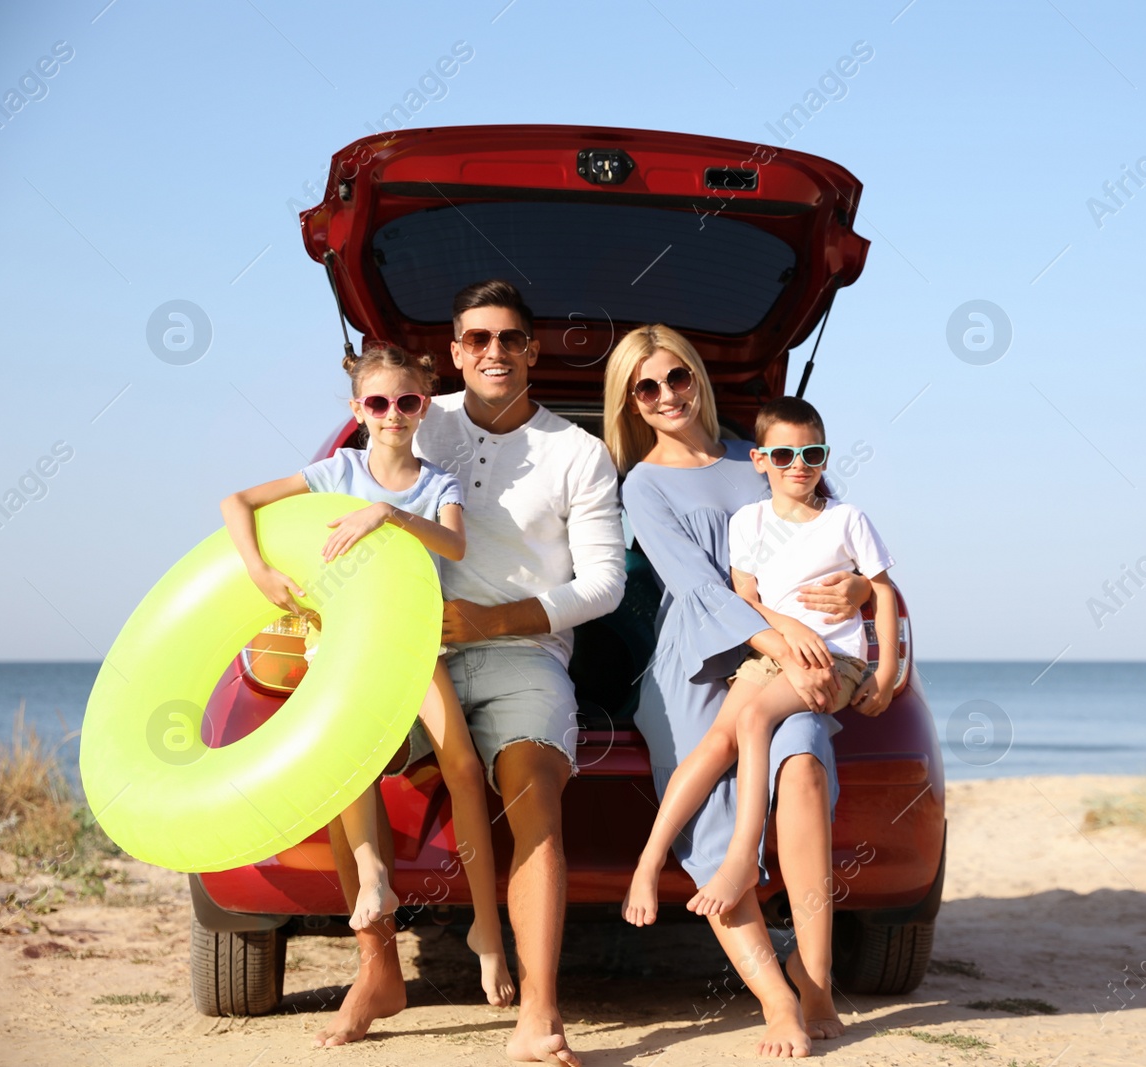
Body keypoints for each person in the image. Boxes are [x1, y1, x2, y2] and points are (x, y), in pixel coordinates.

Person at [314, 280, 626, 1067]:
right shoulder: (413, 410)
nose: (494, 351)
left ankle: (541, 1009)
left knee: (534, 791)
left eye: (510, 338)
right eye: (477, 339)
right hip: (409, 650)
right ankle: (379, 970)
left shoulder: (577, 453)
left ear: (533, 350)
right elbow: (334, 500)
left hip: (525, 653)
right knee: (333, 758)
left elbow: (604, 584)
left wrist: (497, 619)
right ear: (454, 351)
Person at [604, 324, 872, 1058]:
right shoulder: (644, 483)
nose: (666, 396)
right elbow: (695, 585)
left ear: (698, 376)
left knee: (805, 767)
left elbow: (838, 530)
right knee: (715, 828)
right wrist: (777, 638)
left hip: (796, 649)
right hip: (699, 655)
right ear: (629, 401)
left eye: (677, 378)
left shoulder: (761, 453)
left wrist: (858, 591)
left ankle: (813, 974)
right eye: (646, 387)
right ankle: (778, 1002)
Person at [219, 343, 514, 1010]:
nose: (393, 414)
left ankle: (488, 933)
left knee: (464, 769)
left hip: (413, 647)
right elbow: (235, 501)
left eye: (407, 402)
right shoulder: (338, 469)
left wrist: (387, 513)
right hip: (345, 650)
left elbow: (454, 544)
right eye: (378, 403)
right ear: (358, 409)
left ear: (423, 407)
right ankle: (376, 878)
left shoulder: (436, 482)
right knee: (349, 759)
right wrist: (261, 572)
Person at [623, 395, 898, 925]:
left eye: (812, 454)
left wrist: (884, 673)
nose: (798, 466)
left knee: (750, 719)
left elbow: (883, 592)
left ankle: (742, 856)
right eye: (784, 457)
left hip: (832, 659)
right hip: (767, 649)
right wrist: (784, 630)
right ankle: (649, 859)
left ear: (825, 457)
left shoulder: (846, 518)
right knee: (714, 743)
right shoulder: (747, 520)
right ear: (760, 461)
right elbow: (743, 596)